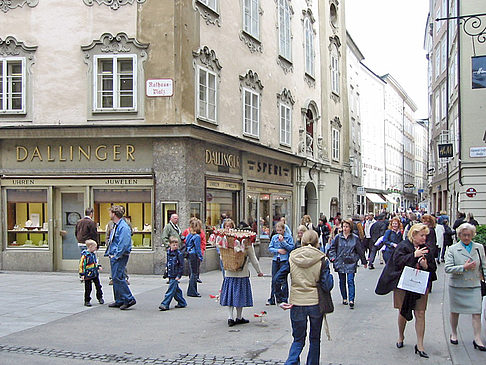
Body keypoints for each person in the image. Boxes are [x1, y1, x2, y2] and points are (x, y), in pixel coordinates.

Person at [375, 223, 437, 358]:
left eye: (425, 236)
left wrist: (426, 265)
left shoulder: (426, 248)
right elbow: (397, 263)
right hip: (403, 284)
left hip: (420, 284)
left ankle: (420, 344)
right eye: (421, 235)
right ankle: (401, 336)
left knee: (420, 313)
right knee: (402, 311)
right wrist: (414, 255)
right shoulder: (403, 246)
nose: (424, 238)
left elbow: (433, 267)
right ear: (413, 235)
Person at [282, 229, 333, 365]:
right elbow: (327, 285)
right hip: (315, 302)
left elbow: (278, 277)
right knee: (315, 339)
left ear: (302, 241)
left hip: (297, 301)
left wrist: (281, 298)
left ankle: (291, 362)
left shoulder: (293, 256)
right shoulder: (321, 259)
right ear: (317, 242)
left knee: (298, 339)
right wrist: (330, 276)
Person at [444, 223, 486, 351]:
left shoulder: (479, 248)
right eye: (464, 235)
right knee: (455, 311)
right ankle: (454, 333)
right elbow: (447, 268)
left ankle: (477, 338)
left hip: (474, 284)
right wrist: (463, 267)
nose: (467, 238)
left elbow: (484, 266)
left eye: (469, 235)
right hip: (457, 285)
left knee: (477, 312)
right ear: (459, 235)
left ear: (473, 235)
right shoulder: (452, 249)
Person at [219, 230, 264, 327]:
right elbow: (253, 259)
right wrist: (259, 271)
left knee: (230, 296)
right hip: (242, 274)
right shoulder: (247, 244)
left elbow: (222, 257)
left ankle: (230, 317)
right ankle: (239, 317)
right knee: (239, 296)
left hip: (229, 274)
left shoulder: (227, 242)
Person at [328, 218, 367, 309]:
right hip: (341, 261)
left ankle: (351, 299)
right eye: (344, 226)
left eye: (347, 227)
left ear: (350, 228)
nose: (345, 228)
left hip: (351, 262)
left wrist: (363, 261)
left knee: (350, 280)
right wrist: (333, 258)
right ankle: (344, 297)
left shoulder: (355, 238)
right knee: (342, 281)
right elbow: (332, 248)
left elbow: (360, 250)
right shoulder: (338, 237)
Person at [106, 205, 136, 310]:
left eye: (110, 213)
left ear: (114, 214)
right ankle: (119, 300)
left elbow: (123, 243)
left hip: (119, 256)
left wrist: (117, 255)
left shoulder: (123, 227)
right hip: (115, 254)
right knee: (116, 277)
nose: (109, 214)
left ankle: (128, 298)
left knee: (118, 277)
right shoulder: (117, 225)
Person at [267, 221, 294, 305]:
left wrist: (283, 242)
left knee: (283, 279)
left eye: (280, 230)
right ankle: (273, 297)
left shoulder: (288, 237)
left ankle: (284, 298)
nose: (279, 232)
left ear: (284, 230)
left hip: (284, 260)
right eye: (277, 230)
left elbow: (291, 248)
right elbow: (270, 248)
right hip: (276, 259)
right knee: (274, 279)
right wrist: (277, 250)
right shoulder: (274, 237)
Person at [159, 236, 187, 311]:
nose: (175, 246)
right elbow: (168, 263)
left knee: (171, 290)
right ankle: (182, 302)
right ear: (170, 244)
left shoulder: (179, 254)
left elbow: (181, 265)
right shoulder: (168, 252)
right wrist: (166, 271)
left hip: (175, 274)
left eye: (176, 245)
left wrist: (179, 275)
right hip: (171, 273)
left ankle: (165, 304)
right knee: (175, 290)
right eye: (173, 245)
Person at [78, 239, 104, 307]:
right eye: (94, 247)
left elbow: (95, 262)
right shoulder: (85, 256)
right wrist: (82, 274)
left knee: (98, 286)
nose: (95, 248)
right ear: (90, 246)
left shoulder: (93, 255)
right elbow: (82, 265)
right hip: (88, 274)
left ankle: (100, 297)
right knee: (88, 288)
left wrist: (98, 266)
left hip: (95, 273)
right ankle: (87, 300)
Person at [182, 217, 207, 283]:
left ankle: (193, 279)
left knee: (193, 268)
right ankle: (193, 285)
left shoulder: (190, 234)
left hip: (190, 252)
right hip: (194, 253)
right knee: (194, 270)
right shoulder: (196, 236)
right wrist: (200, 255)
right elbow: (197, 246)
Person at [185, 218, 203, 297]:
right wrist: (200, 257)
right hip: (194, 255)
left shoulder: (189, 235)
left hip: (189, 254)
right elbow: (198, 248)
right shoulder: (197, 237)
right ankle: (193, 291)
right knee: (194, 274)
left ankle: (191, 290)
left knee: (192, 272)